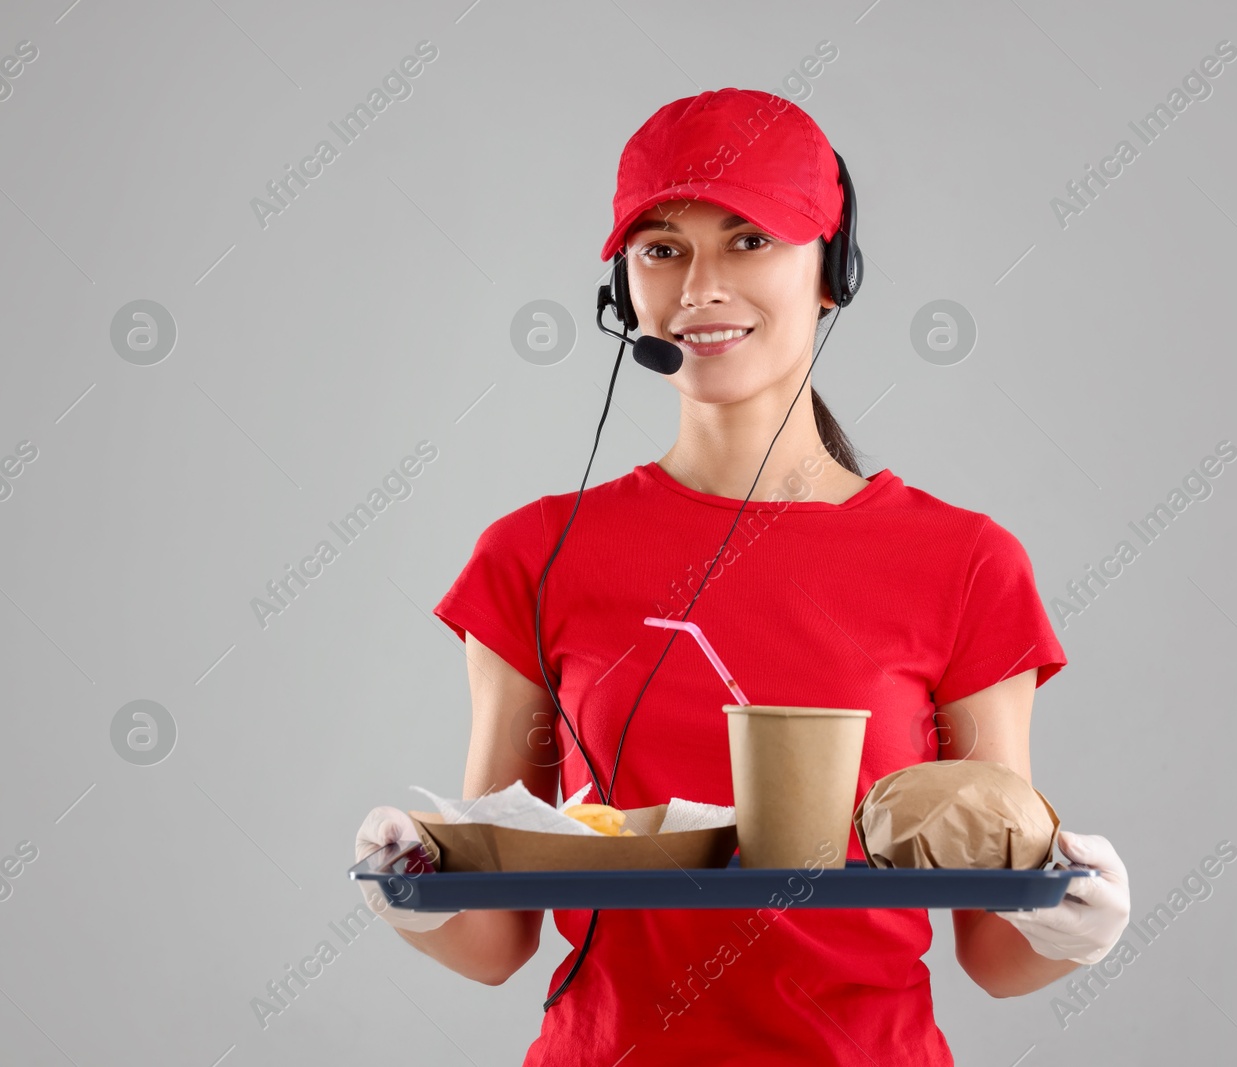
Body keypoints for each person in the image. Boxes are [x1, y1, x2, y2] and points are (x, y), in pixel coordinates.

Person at [353, 88, 1130, 1065]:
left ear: (831, 272)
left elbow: (994, 948)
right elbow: (497, 934)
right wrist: (411, 892)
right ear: (620, 291)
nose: (699, 287)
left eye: (749, 239)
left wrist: (1074, 920)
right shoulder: (531, 554)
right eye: (661, 247)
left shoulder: (965, 563)